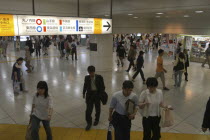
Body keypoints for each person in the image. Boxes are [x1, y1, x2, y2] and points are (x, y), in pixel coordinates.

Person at [83, 66, 105, 131]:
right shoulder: (86, 78)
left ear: (94, 72)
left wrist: (100, 94)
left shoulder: (99, 77)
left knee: (97, 108)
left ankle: (96, 120)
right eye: (89, 73)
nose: (91, 74)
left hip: (97, 95)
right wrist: (83, 93)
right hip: (89, 96)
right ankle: (89, 123)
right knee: (88, 110)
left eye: (92, 72)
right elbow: (85, 85)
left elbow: (103, 87)